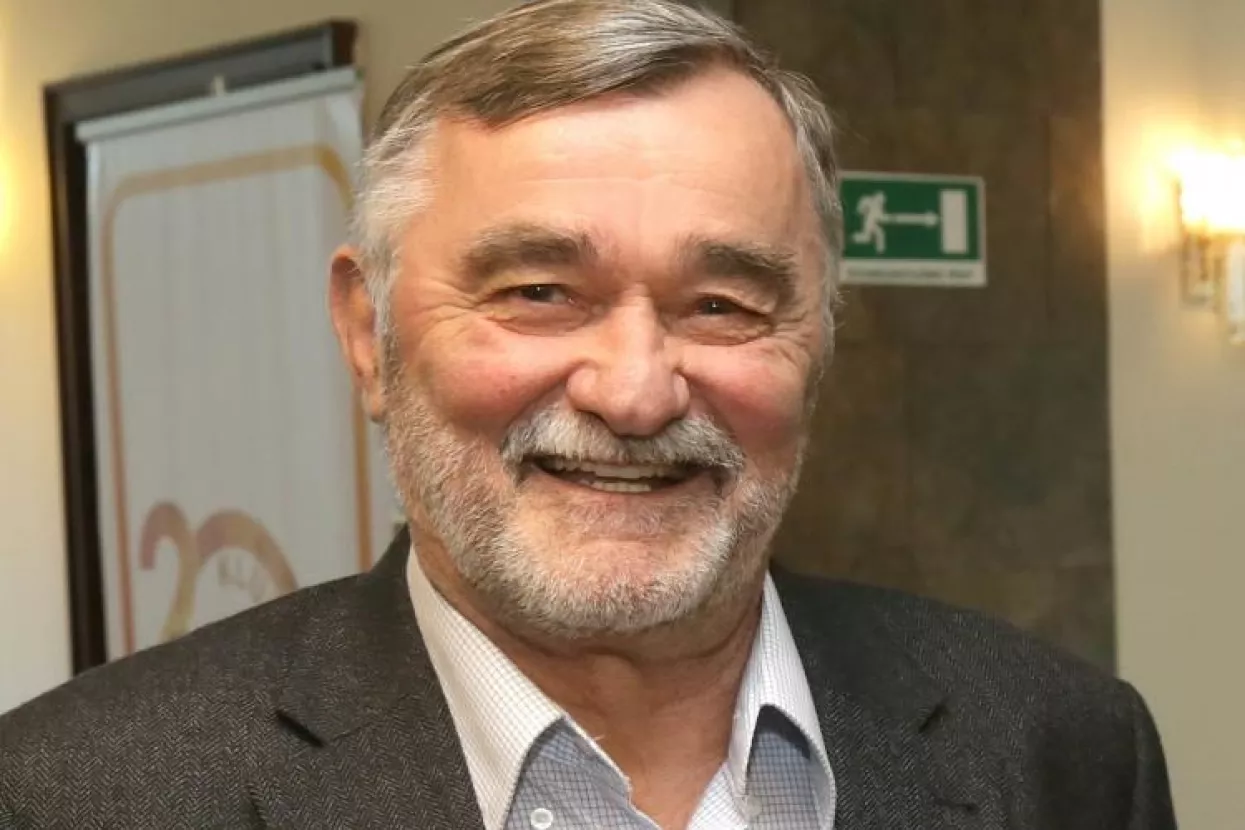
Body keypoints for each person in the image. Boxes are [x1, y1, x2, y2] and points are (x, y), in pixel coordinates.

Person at [0, 1, 1175, 827]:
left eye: (721, 304)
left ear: (818, 340)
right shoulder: (84, 793)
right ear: (370, 333)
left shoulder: (1059, 750)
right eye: (539, 292)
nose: (635, 388)